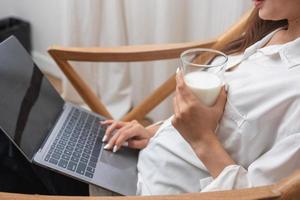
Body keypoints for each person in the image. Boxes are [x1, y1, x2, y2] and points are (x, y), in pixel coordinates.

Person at [91, 0, 300, 195]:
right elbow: (228, 125)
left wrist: (201, 139)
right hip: (141, 163)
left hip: (154, 191)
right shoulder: (273, 31)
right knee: (66, 146)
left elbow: (258, 195)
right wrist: (155, 132)